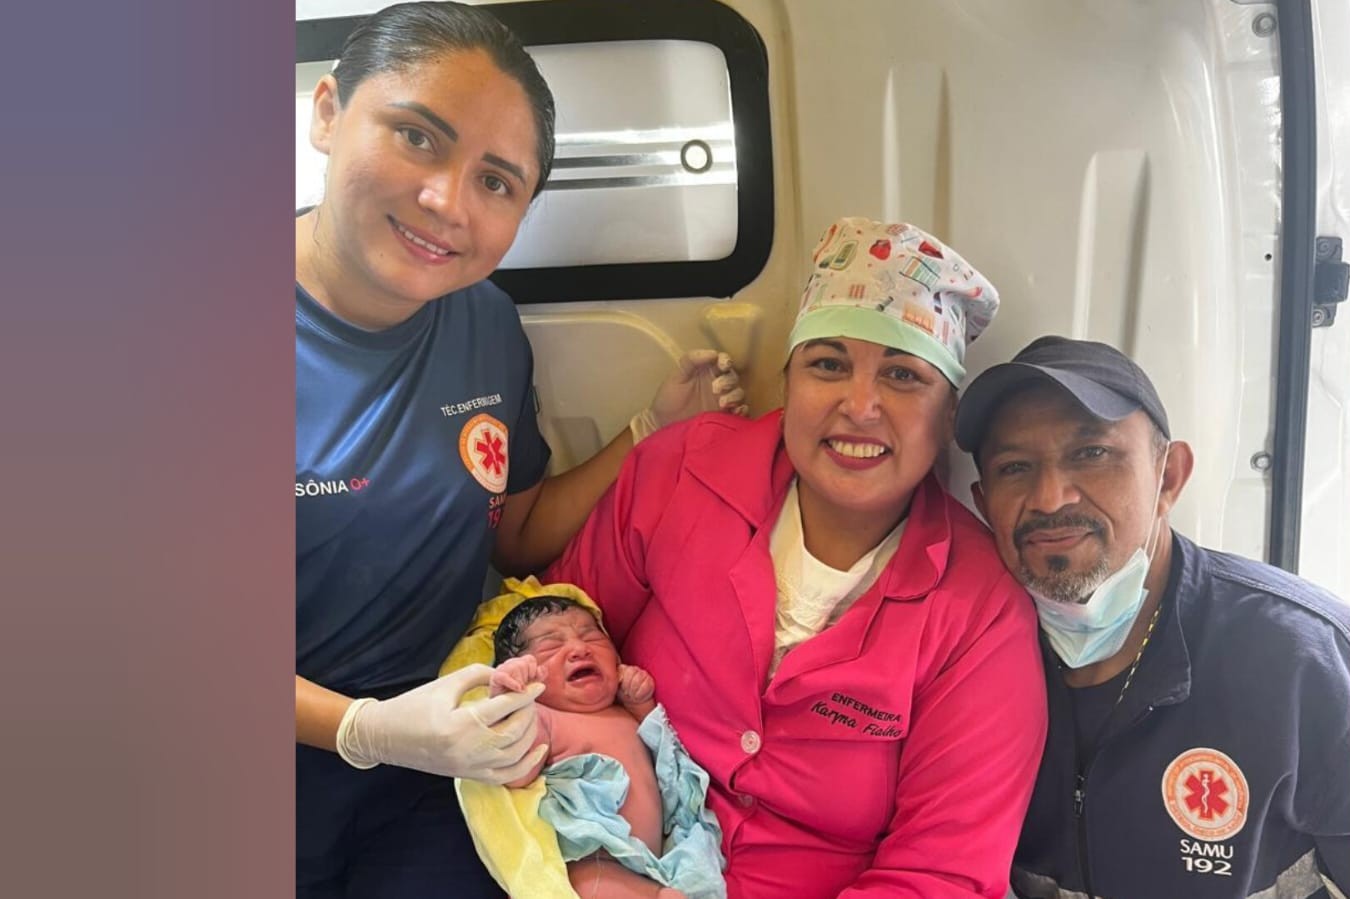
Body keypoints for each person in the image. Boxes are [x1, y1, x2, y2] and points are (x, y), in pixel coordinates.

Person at [293, 4, 744, 897]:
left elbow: (514, 530)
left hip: (444, 757)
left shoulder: (483, 324)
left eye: (496, 182)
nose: (446, 201)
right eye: (417, 135)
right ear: (328, 111)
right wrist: (364, 728)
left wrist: (648, 430)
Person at [544, 216, 1048, 898]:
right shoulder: (680, 471)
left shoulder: (981, 610)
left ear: (950, 415)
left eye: (902, 375)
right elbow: (550, 632)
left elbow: (940, 872)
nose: (860, 405)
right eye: (828, 364)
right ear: (789, 381)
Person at [952, 336, 1350, 899]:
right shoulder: (966, 663)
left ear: (1168, 478)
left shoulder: (1303, 659)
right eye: (1015, 467)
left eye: (1091, 454)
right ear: (981, 500)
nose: (1048, 497)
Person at [488, 594, 725, 899]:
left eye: (592, 636)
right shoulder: (545, 718)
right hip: (590, 862)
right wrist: (508, 699)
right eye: (551, 645)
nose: (579, 648)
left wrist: (640, 703)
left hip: (652, 863)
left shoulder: (621, 711)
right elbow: (511, 765)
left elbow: (662, 751)